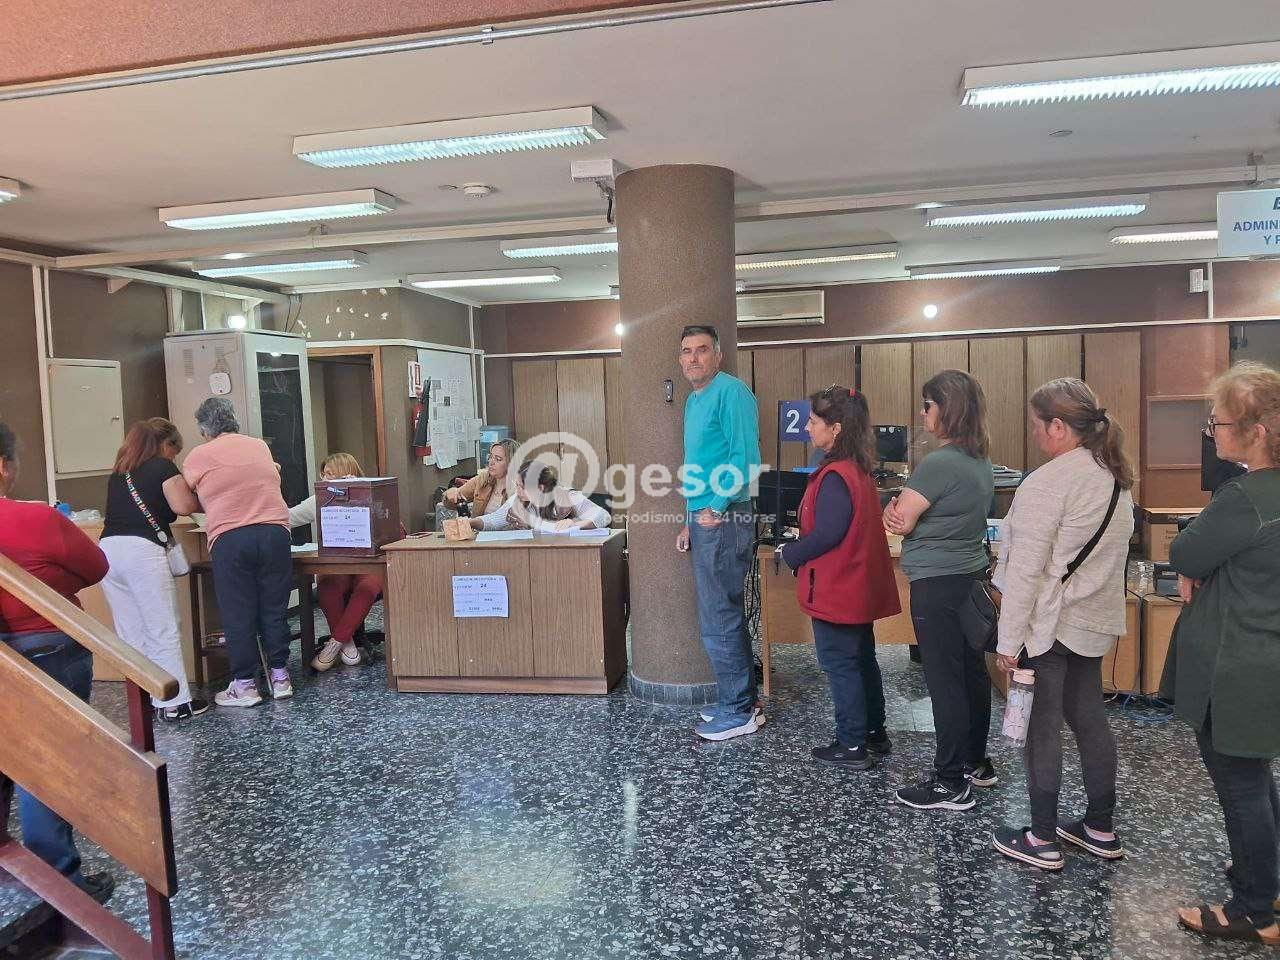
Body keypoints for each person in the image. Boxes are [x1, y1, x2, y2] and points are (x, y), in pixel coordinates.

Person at [989, 379, 1135, 871]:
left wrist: (1008, 640)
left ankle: (1042, 837)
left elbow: (1026, 572)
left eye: (1037, 426)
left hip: (1047, 626)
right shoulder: (1115, 478)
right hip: (1093, 621)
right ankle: (1100, 827)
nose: (1035, 435)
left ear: (1057, 426)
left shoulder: (1047, 482)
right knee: (1090, 719)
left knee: (1042, 729)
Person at [1163, 362, 1280, 945]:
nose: (1213, 434)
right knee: (1255, 773)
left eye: (1219, 424)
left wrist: (1198, 567)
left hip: (1234, 661)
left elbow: (1185, 553)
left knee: (1239, 782)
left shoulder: (1246, 496)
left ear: (1257, 431)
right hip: (1265, 653)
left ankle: (1255, 910)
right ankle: (1269, 879)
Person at [0, 420, 114, 903]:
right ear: (3, 466)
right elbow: (96, 566)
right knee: (49, 765)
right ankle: (59, 880)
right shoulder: (36, 519)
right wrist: (52, 583)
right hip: (49, 648)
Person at [885, 369, 995, 810]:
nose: (922, 413)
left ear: (947, 409)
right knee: (971, 672)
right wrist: (901, 510)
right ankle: (975, 762)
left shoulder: (938, 464)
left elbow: (900, 521)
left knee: (944, 680)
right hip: (969, 577)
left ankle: (949, 781)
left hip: (936, 583)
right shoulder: (978, 460)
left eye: (927, 405)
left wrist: (896, 509)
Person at [780, 386, 900, 769]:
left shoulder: (835, 475)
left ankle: (851, 744)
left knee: (841, 664)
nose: (807, 428)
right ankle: (874, 733)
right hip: (856, 586)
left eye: (814, 422)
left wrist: (791, 552)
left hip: (838, 588)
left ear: (835, 429)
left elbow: (829, 533)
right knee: (862, 659)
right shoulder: (857, 468)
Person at [674, 324, 763, 742]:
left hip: (725, 517)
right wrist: (689, 518)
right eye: (686, 351)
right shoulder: (694, 400)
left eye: (702, 350)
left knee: (719, 616)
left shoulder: (732, 392)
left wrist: (715, 506)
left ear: (718, 355)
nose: (693, 358)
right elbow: (698, 466)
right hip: (705, 516)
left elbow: (746, 457)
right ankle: (741, 701)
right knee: (721, 612)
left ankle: (737, 709)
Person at [180, 397, 294, 708]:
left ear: (205, 430)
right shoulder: (259, 446)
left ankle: (245, 685)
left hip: (231, 537)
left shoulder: (199, 455)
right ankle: (280, 677)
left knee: (238, 612)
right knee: (274, 607)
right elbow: (273, 475)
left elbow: (184, 495)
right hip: (274, 532)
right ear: (234, 420)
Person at [100, 418, 208, 722]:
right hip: (142, 552)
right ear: (165, 444)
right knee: (162, 628)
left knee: (130, 631)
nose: (174, 456)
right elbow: (183, 506)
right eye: (175, 450)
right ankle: (175, 704)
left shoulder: (119, 473)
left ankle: (143, 700)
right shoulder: (162, 467)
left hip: (108, 551)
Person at [289, 452, 381, 671]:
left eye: (330, 474)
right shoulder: (321, 498)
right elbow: (287, 517)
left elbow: (393, 525)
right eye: (323, 475)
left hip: (369, 563)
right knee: (327, 586)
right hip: (336, 563)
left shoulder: (372, 493)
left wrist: (357, 491)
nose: (324, 479)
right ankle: (345, 643)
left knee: (368, 587)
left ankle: (334, 644)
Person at [470, 459, 611, 533]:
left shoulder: (567, 497)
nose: (517, 491)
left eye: (522, 487)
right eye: (516, 485)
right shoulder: (519, 500)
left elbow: (603, 516)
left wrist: (573, 524)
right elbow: (494, 520)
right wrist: (470, 523)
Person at [444, 438, 519, 518]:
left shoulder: (521, 486)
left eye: (498, 459)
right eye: (490, 457)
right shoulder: (482, 479)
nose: (491, 462)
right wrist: (450, 494)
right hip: (477, 526)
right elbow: (451, 502)